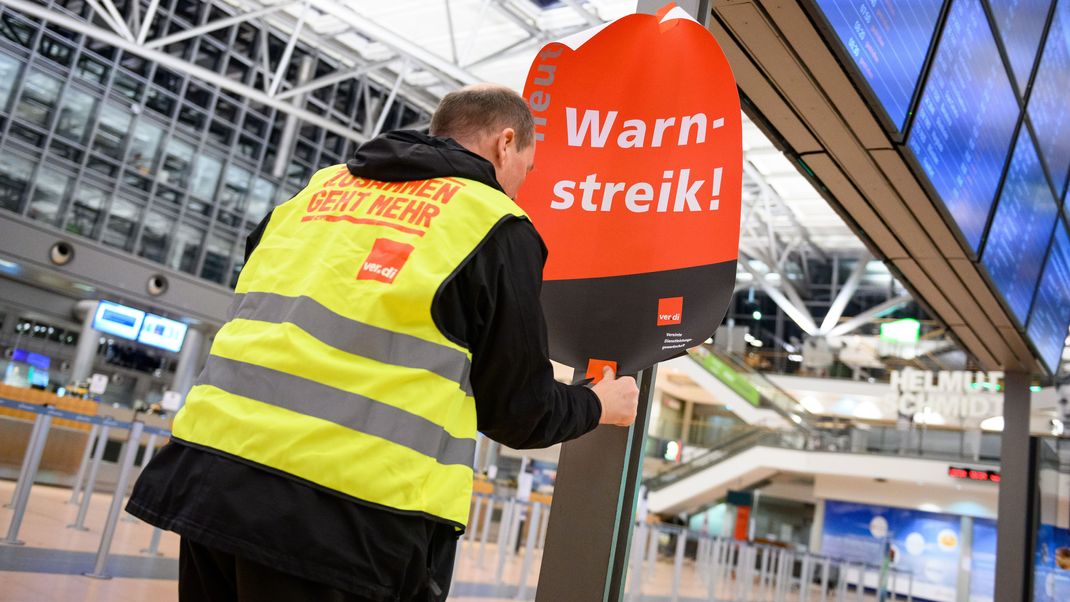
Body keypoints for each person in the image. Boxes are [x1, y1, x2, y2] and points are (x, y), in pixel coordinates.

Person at [127, 83, 640, 601]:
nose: (519, 188)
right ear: (506, 144)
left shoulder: (317, 190)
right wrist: (596, 404)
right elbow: (518, 411)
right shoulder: (493, 222)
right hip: (343, 516)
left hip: (211, 480)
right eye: (525, 172)